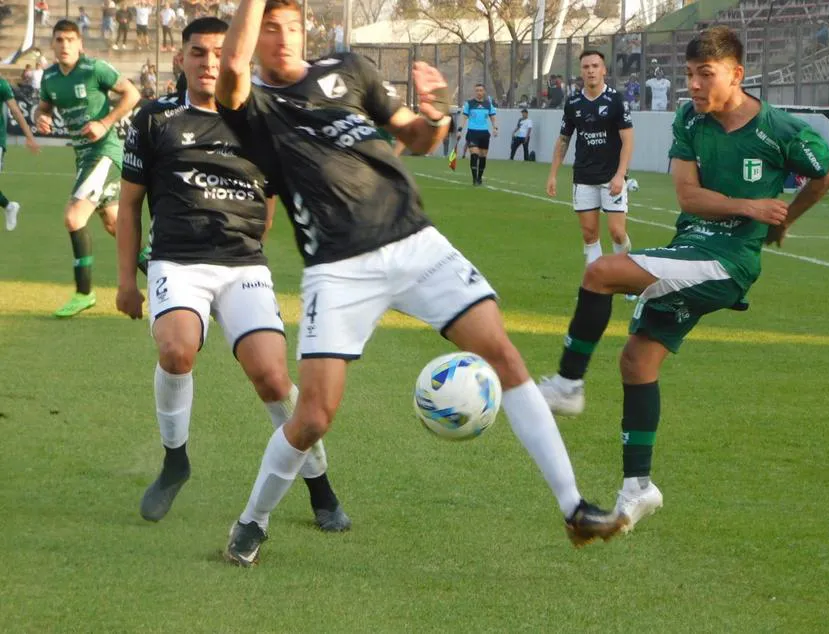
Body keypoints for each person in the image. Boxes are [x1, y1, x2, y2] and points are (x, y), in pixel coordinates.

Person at [214, 0, 625, 566]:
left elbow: (420, 135)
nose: (281, 38)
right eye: (268, 29)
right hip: (338, 267)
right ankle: (253, 520)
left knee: (503, 353)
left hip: (416, 243)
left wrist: (436, 112)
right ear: (253, 36)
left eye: (290, 26)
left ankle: (574, 507)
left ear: (304, 29)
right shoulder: (253, 105)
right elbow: (232, 68)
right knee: (312, 416)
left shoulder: (349, 70)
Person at [538, 26, 829, 532]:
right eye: (689, 75)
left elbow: (827, 172)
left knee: (601, 271)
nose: (694, 86)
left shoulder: (779, 130)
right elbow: (688, 198)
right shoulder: (689, 119)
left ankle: (568, 385)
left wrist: (785, 219)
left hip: (726, 263)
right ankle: (638, 487)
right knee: (637, 360)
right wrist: (753, 207)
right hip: (690, 249)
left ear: (736, 75)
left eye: (706, 74)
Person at [115, 17, 348, 531]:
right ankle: (176, 461)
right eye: (198, 52)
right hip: (177, 260)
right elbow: (129, 205)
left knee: (272, 379)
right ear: (182, 58)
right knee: (176, 349)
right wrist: (127, 283)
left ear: (233, 59)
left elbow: (271, 200)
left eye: (219, 53)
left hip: (242, 264)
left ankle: (320, 486)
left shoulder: (261, 121)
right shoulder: (153, 119)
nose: (208, 62)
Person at [37, 20, 142, 317]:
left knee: (73, 217)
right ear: (53, 44)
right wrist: (40, 117)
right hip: (84, 157)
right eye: (59, 40)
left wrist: (104, 123)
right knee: (116, 225)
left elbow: (132, 94)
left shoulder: (95, 69)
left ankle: (84, 293)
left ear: (80, 43)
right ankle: (167, 276)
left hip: (105, 153)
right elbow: (44, 108)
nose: (65, 45)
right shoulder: (50, 78)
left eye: (71, 39)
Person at [546, 50, 634, 267]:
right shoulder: (573, 103)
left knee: (617, 232)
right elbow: (564, 140)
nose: (591, 70)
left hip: (611, 176)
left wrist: (620, 175)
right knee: (589, 234)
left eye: (595, 66)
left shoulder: (616, 100)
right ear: (581, 72)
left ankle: (626, 271)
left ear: (603, 70)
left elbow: (628, 140)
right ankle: (596, 283)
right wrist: (553, 175)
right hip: (584, 176)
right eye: (586, 67)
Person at [0, 75, 41, 231]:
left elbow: (16, 112)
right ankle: (9, 206)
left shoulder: (2, 85)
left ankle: (9, 207)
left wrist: (29, 137)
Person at [457, 83, 497, 186]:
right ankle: (474, 179)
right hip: (472, 132)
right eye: (477, 90)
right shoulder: (469, 104)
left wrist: (495, 128)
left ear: (484, 92)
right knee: (474, 154)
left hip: (484, 133)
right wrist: (460, 130)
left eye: (481, 90)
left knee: (483, 156)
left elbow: (493, 117)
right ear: (475, 92)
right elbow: (464, 117)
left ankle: (479, 178)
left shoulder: (488, 104)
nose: (479, 92)